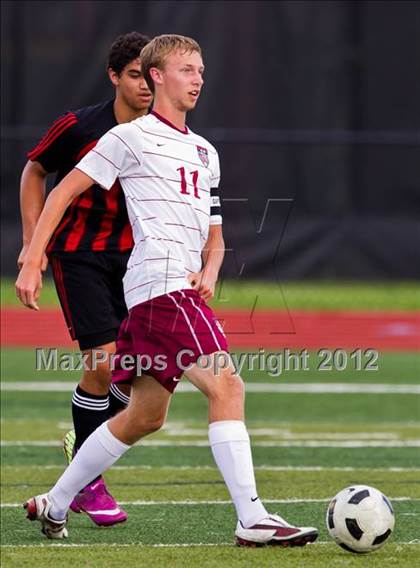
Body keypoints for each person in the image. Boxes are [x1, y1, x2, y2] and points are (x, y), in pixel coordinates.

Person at [16, 34, 318, 547]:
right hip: (158, 287)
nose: (198, 78)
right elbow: (61, 189)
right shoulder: (127, 137)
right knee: (229, 386)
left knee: (145, 416)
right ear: (156, 76)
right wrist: (31, 256)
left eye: (201, 69)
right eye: (186, 69)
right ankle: (253, 518)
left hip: (176, 290)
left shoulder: (205, 150)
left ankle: (56, 500)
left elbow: (215, 234)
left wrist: (213, 267)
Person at [17, 31, 152, 526]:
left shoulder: (163, 131)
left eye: (151, 75)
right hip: (80, 256)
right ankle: (87, 479)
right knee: (104, 361)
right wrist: (34, 246)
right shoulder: (80, 126)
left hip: (139, 260)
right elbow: (35, 171)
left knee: (137, 373)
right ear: (114, 77)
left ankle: (85, 437)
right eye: (135, 74)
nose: (145, 85)